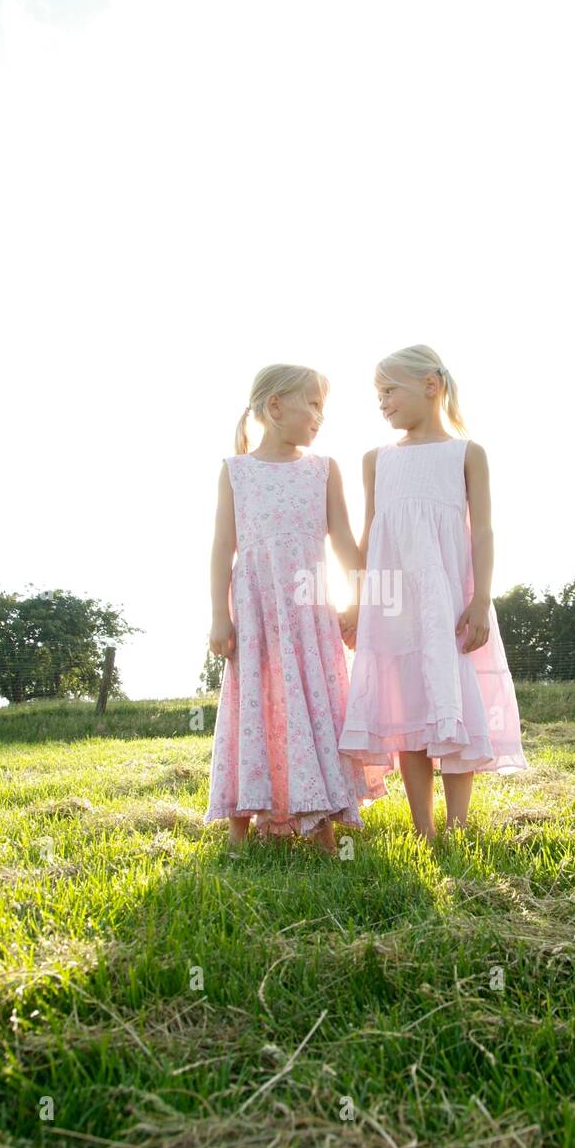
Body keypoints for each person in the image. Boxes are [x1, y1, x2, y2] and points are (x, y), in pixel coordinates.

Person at [338, 344, 527, 840]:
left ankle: (458, 825)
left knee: (452, 701)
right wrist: (358, 601)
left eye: (389, 391)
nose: (382, 403)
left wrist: (481, 598)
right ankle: (423, 828)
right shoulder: (375, 460)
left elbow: (482, 531)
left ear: (431, 385)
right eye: (377, 395)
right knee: (408, 709)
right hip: (393, 603)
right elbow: (368, 535)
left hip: (448, 601)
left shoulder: (467, 453)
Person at [205, 362, 388, 852]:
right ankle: (242, 825)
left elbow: (346, 545)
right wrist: (220, 616)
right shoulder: (236, 472)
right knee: (254, 704)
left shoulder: (323, 470)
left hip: (309, 612)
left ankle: (320, 818)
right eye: (312, 404)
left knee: (314, 705)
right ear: (275, 406)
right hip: (257, 610)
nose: (319, 416)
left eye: (322, 407)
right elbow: (223, 548)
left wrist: (363, 602)